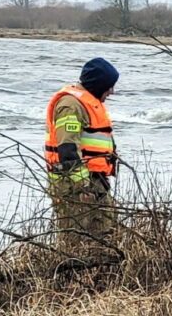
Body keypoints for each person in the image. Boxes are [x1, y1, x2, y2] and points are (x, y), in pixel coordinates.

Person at [44, 57, 119, 247]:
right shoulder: (70, 105)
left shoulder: (89, 103)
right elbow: (67, 149)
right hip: (73, 186)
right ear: (97, 84)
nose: (112, 92)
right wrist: (83, 186)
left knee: (105, 236)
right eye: (109, 86)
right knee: (75, 242)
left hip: (96, 183)